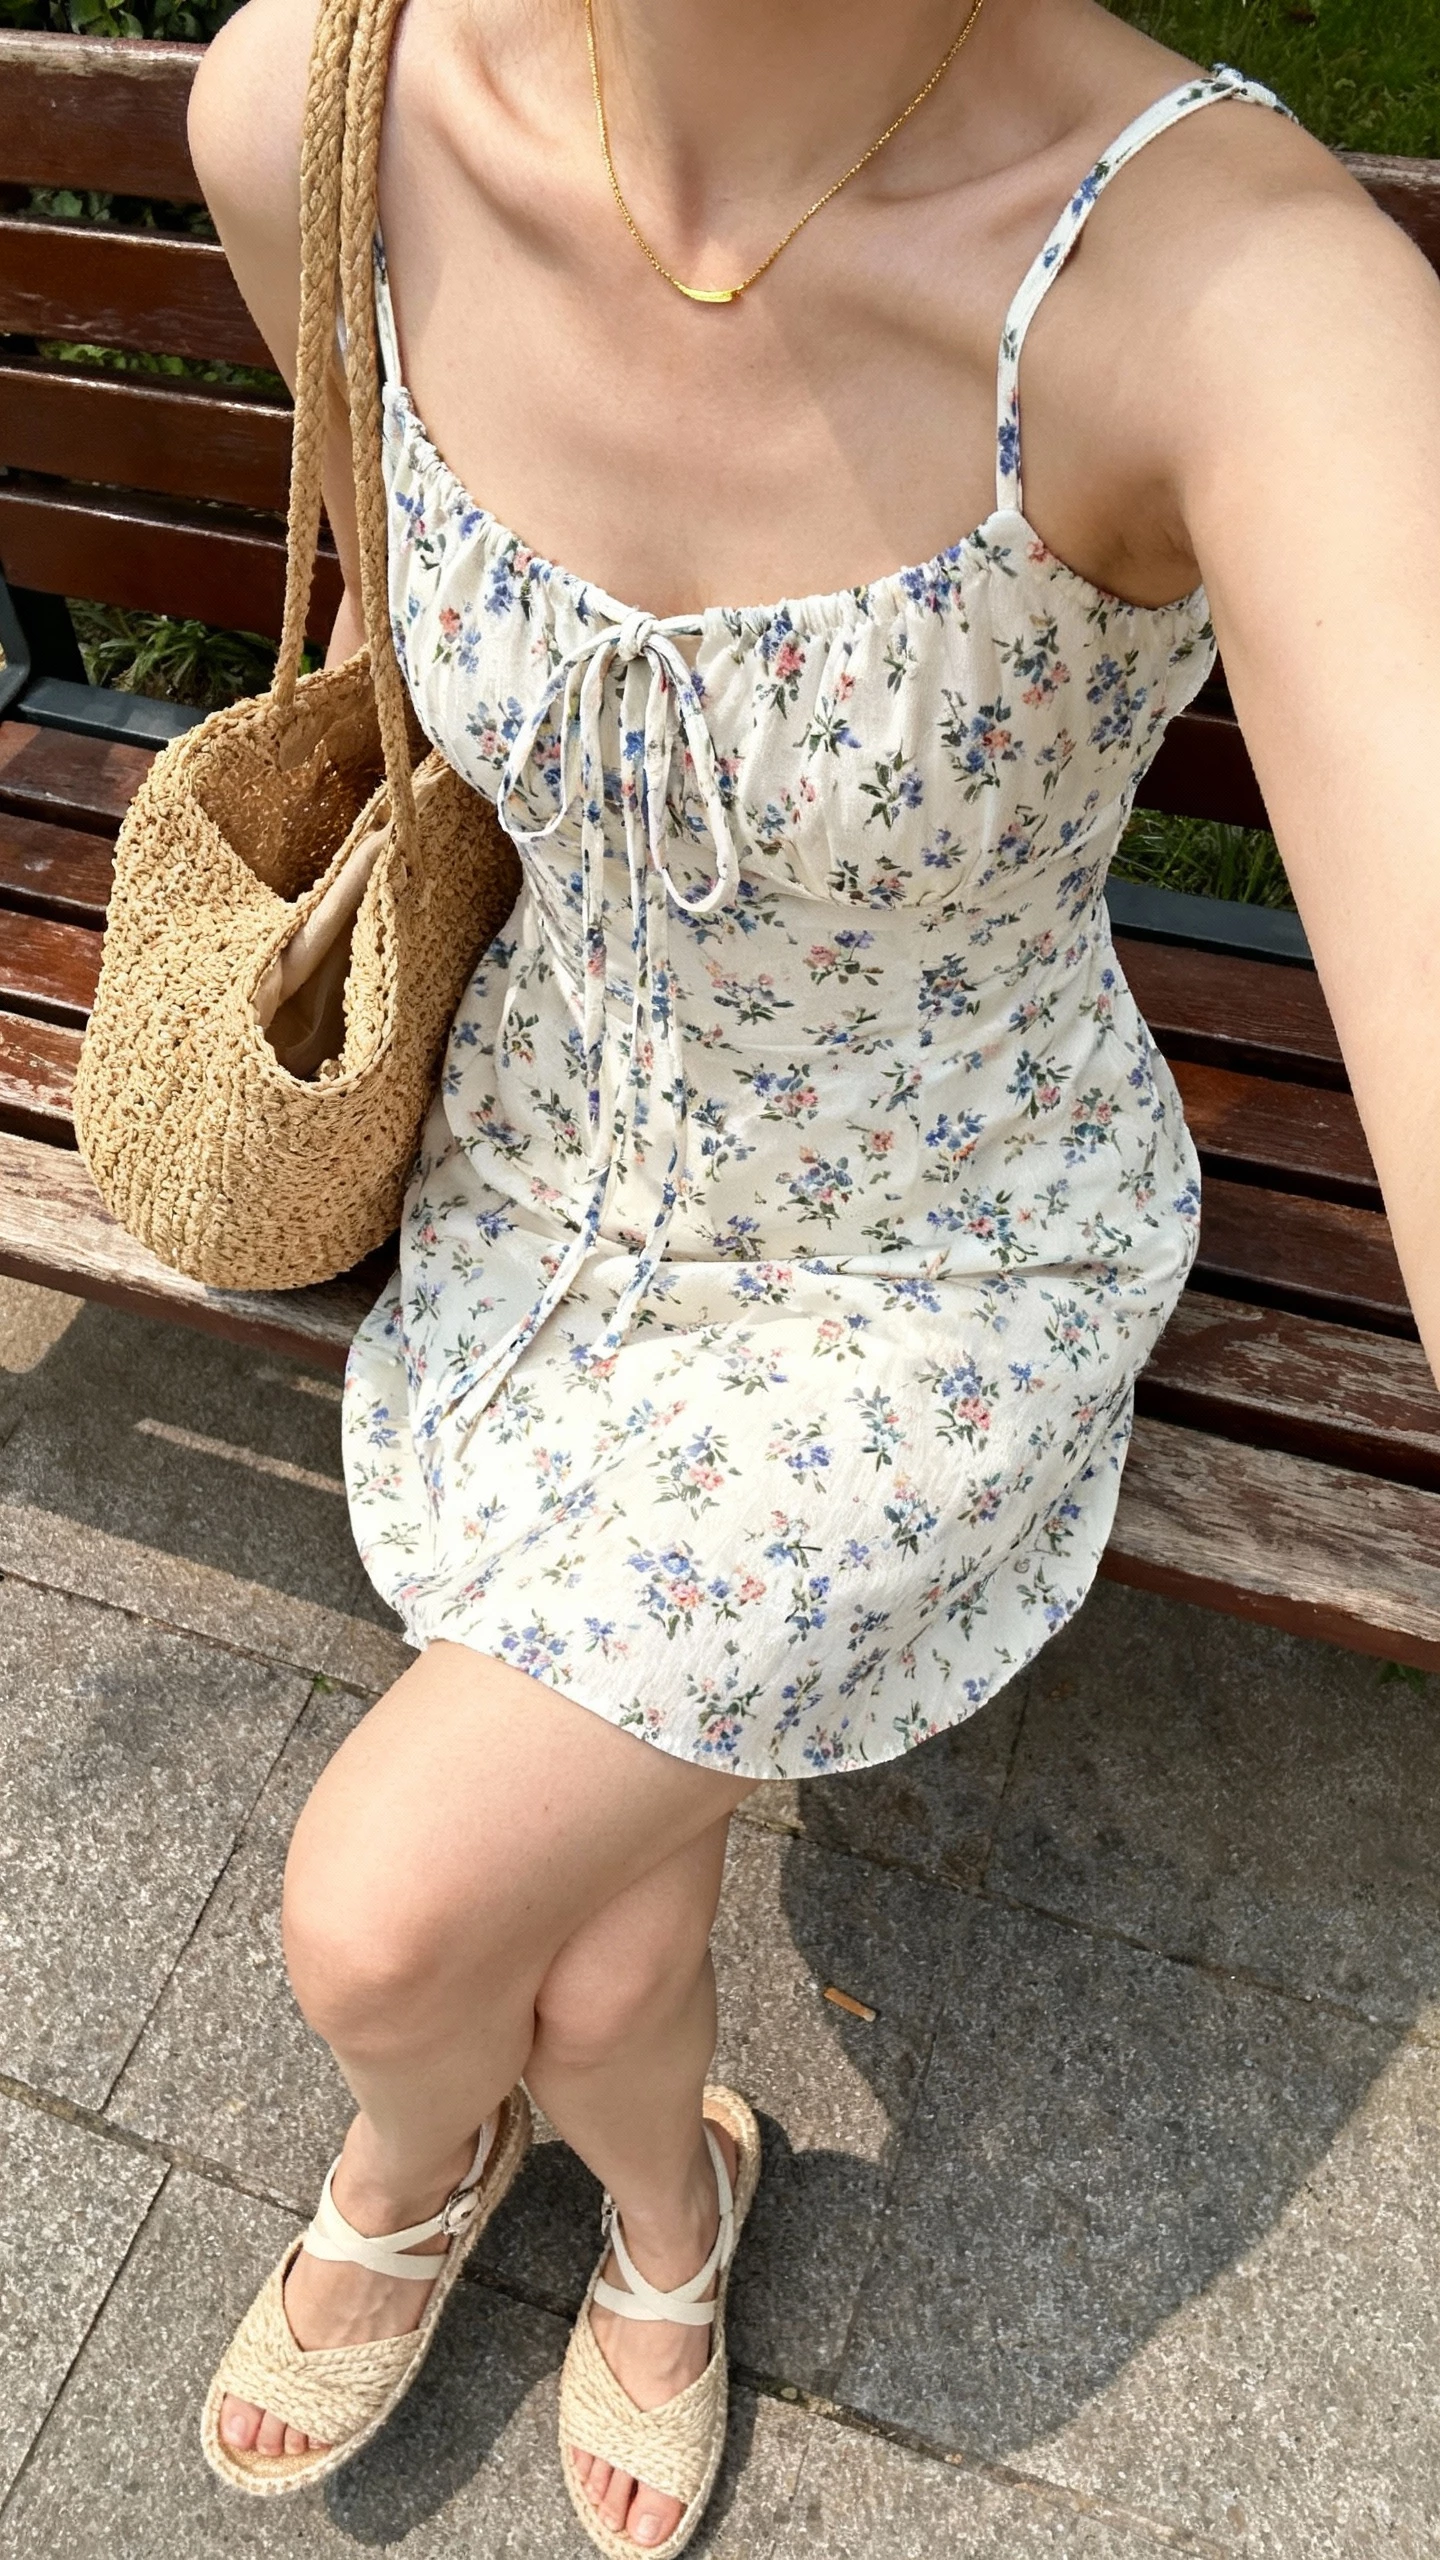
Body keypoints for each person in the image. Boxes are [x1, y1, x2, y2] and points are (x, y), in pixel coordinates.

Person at [187, 0, 1440, 2547]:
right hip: (541, 1175)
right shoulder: (308, 102)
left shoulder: (1219, 285)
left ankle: (421, 2142)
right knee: (618, 1963)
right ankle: (668, 2199)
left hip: (926, 1263)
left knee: (387, 1912)